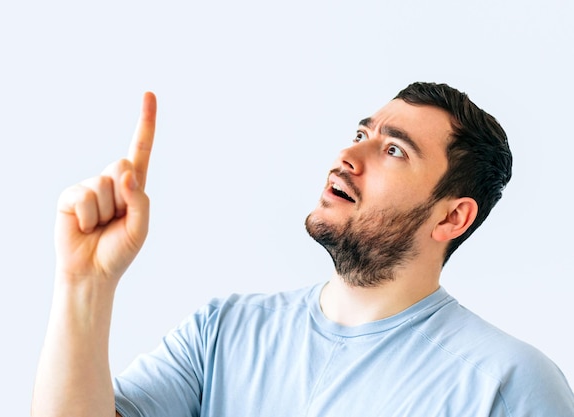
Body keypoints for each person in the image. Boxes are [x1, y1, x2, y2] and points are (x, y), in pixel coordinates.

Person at [32, 82, 574, 417]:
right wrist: (85, 285)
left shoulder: (505, 385)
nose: (348, 154)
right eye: (360, 132)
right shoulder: (222, 333)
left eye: (393, 149)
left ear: (451, 216)